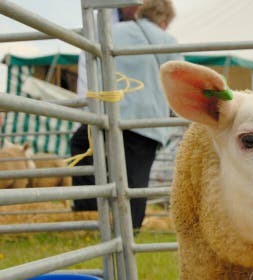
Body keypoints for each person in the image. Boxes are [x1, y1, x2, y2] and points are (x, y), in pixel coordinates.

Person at [71, 0, 181, 231]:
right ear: (163, 20)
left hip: (110, 113)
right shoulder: (168, 40)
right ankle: (130, 231)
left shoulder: (114, 32)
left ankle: (88, 217)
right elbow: (177, 80)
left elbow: (95, 66)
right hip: (148, 122)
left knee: (83, 147)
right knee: (135, 179)